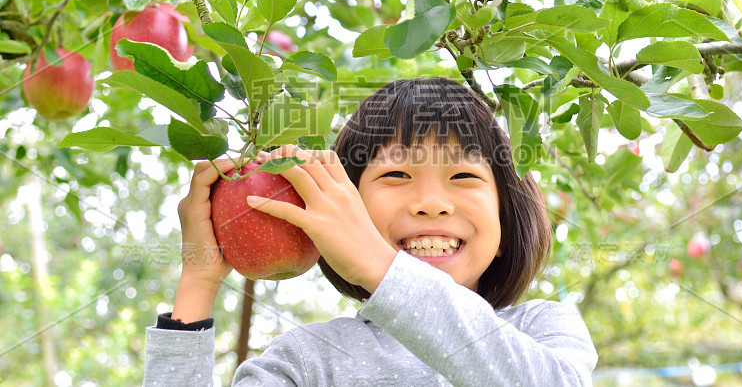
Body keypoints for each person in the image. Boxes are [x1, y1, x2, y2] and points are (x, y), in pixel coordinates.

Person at [143, 77, 597, 386]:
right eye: (397, 175)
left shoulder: (541, 328)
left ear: (507, 221)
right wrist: (198, 283)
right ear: (344, 208)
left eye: (464, 177)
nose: (431, 202)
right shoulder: (306, 360)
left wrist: (383, 266)